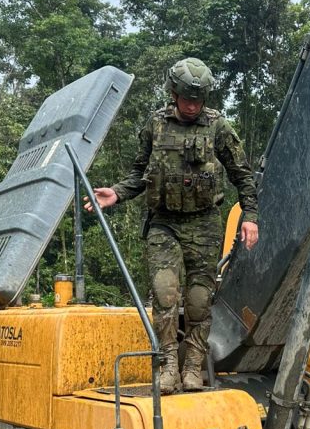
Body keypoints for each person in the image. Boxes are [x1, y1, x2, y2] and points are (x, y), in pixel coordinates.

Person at [86, 58, 259, 393]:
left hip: (204, 223)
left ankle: (193, 366)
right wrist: (117, 194)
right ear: (174, 93)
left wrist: (250, 217)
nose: (193, 105)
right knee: (166, 293)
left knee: (198, 300)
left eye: (199, 99)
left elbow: (243, 176)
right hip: (163, 222)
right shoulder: (156, 125)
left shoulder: (218, 127)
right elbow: (140, 175)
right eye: (187, 98)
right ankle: (168, 364)